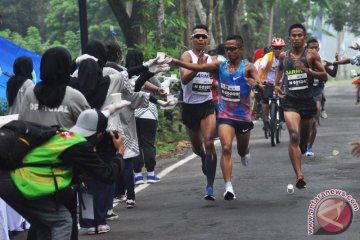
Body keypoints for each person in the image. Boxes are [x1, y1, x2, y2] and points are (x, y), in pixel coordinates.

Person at [0, 108, 125, 240]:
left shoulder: (64, 135)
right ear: (99, 134)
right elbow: (107, 174)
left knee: (44, 224)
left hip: (7, 177)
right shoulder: (78, 145)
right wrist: (120, 153)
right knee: (62, 221)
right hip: (17, 180)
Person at [172, 34, 263, 200]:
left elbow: (259, 83)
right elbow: (199, 69)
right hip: (225, 115)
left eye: (233, 49)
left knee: (241, 150)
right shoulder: (219, 65)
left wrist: (257, 86)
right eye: (227, 49)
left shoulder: (248, 67)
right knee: (226, 147)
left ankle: (245, 151)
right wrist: (178, 62)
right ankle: (228, 187)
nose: (229, 52)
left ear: (240, 50)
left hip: (242, 116)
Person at [274, 23, 327, 189]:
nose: (296, 38)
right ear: (289, 39)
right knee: (294, 136)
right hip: (290, 102)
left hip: (307, 102)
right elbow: (280, 70)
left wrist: (306, 70)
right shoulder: (284, 56)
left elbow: (324, 76)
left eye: (299, 35)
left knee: (303, 144)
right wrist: (276, 85)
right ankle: (299, 175)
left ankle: (303, 148)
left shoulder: (311, 55)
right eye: (293, 35)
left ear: (304, 38)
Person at [178, 24, 218, 200]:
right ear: (191, 39)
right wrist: (198, 68)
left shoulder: (212, 59)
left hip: (207, 105)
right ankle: (203, 157)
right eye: (197, 36)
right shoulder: (187, 56)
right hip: (190, 108)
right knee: (197, 148)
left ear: (207, 40)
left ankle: (210, 186)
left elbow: (219, 75)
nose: (201, 39)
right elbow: (184, 79)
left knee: (209, 142)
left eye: (204, 37)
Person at [305, 38, 338, 157]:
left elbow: (333, 74)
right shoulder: (301, 60)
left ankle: (309, 148)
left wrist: (337, 60)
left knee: (314, 117)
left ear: (318, 49)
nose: (314, 50)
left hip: (316, 90)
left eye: (316, 47)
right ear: (306, 48)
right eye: (311, 48)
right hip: (302, 92)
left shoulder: (322, 61)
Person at [258, 38, 286, 133]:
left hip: (282, 83)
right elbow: (261, 68)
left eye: (280, 48)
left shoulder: (287, 57)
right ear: (272, 49)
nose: (278, 50)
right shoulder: (268, 57)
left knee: (285, 100)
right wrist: (259, 80)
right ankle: (266, 121)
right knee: (265, 100)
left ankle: (282, 119)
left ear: (283, 48)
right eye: (275, 48)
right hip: (268, 83)